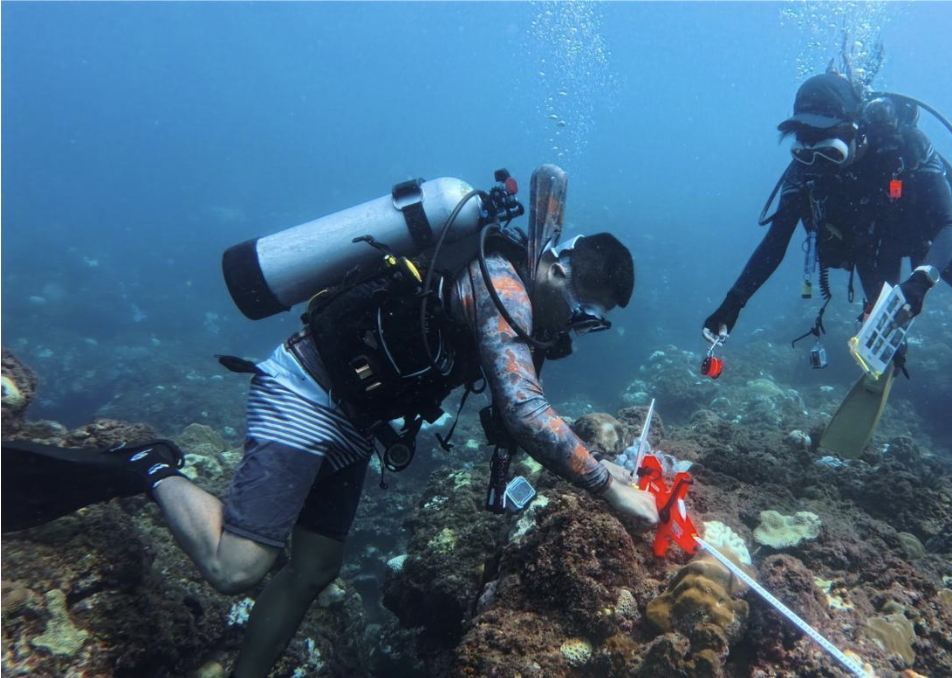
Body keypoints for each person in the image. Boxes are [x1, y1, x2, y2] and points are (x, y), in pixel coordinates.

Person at [7, 224, 657, 677]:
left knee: (313, 568)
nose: (575, 329)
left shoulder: (523, 306)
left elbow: (515, 394)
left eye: (588, 323)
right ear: (564, 274)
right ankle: (148, 465)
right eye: (582, 312)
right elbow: (523, 410)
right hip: (306, 393)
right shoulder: (502, 283)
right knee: (237, 568)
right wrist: (610, 484)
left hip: (356, 422)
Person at [703, 70, 952, 349]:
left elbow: (948, 224)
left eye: (828, 145)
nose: (816, 156)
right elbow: (774, 244)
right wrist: (732, 303)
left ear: (856, 129)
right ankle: (891, 347)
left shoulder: (904, 146)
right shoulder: (805, 168)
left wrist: (923, 278)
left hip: (924, 230)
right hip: (873, 245)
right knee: (880, 317)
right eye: (805, 142)